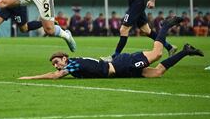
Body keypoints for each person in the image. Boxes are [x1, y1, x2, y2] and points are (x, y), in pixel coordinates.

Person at [19, 17, 204, 80]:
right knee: (157, 73)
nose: (56, 66)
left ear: (65, 59)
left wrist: (30, 77)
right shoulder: (74, 64)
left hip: (122, 65)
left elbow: (55, 76)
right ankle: (186, 51)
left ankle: (165, 25)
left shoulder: (72, 64)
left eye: (56, 62)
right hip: (119, 69)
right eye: (54, 64)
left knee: (157, 53)